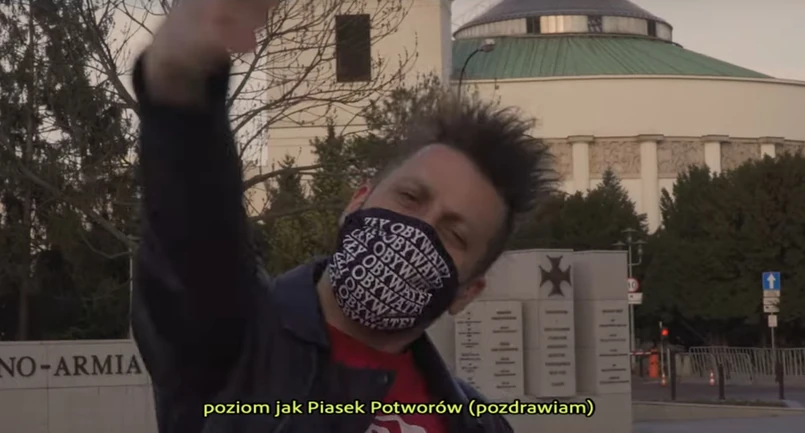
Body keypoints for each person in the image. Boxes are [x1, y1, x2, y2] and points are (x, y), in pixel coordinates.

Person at [131, 0, 554, 432]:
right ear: (357, 201)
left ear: (467, 293)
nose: (418, 230)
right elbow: (195, 240)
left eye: (454, 234)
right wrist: (183, 97)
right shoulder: (239, 342)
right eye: (410, 197)